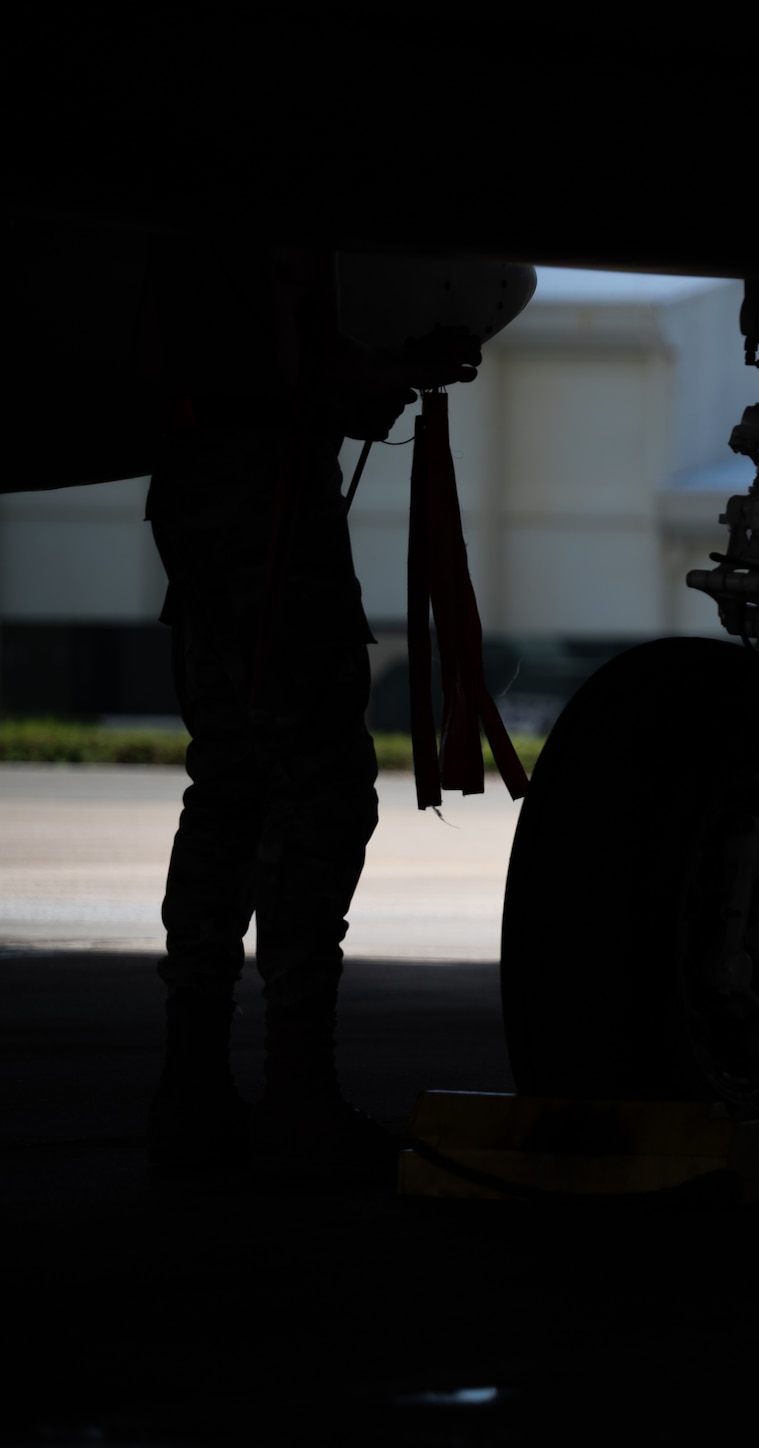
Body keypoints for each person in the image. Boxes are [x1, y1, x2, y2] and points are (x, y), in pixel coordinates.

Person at [143, 244, 474, 1184]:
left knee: (230, 786)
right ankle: (296, 1093)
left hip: (200, 497)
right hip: (270, 504)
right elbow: (307, 364)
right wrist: (408, 365)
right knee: (319, 791)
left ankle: (193, 1090)